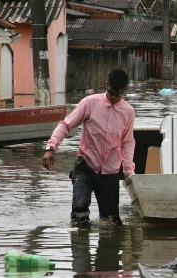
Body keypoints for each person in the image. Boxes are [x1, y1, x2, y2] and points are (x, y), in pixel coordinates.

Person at [42, 69, 136, 225]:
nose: (113, 98)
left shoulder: (128, 112)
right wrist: (50, 148)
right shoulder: (89, 103)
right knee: (79, 214)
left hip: (110, 171)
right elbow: (66, 125)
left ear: (125, 91)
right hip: (85, 166)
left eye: (117, 95)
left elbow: (127, 142)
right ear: (106, 86)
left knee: (111, 222)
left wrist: (128, 170)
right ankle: (79, 243)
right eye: (110, 93)